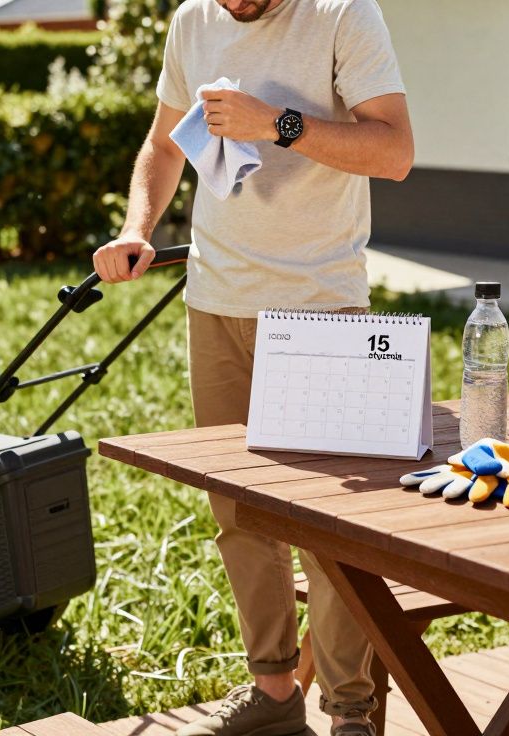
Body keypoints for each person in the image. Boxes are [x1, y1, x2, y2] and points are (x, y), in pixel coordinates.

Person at [92, 1, 413, 735]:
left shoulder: (342, 14)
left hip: (319, 310)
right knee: (240, 515)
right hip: (217, 303)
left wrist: (280, 124)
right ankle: (273, 696)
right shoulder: (193, 20)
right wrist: (137, 227)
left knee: (332, 527)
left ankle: (350, 713)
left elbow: (394, 152)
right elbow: (165, 146)